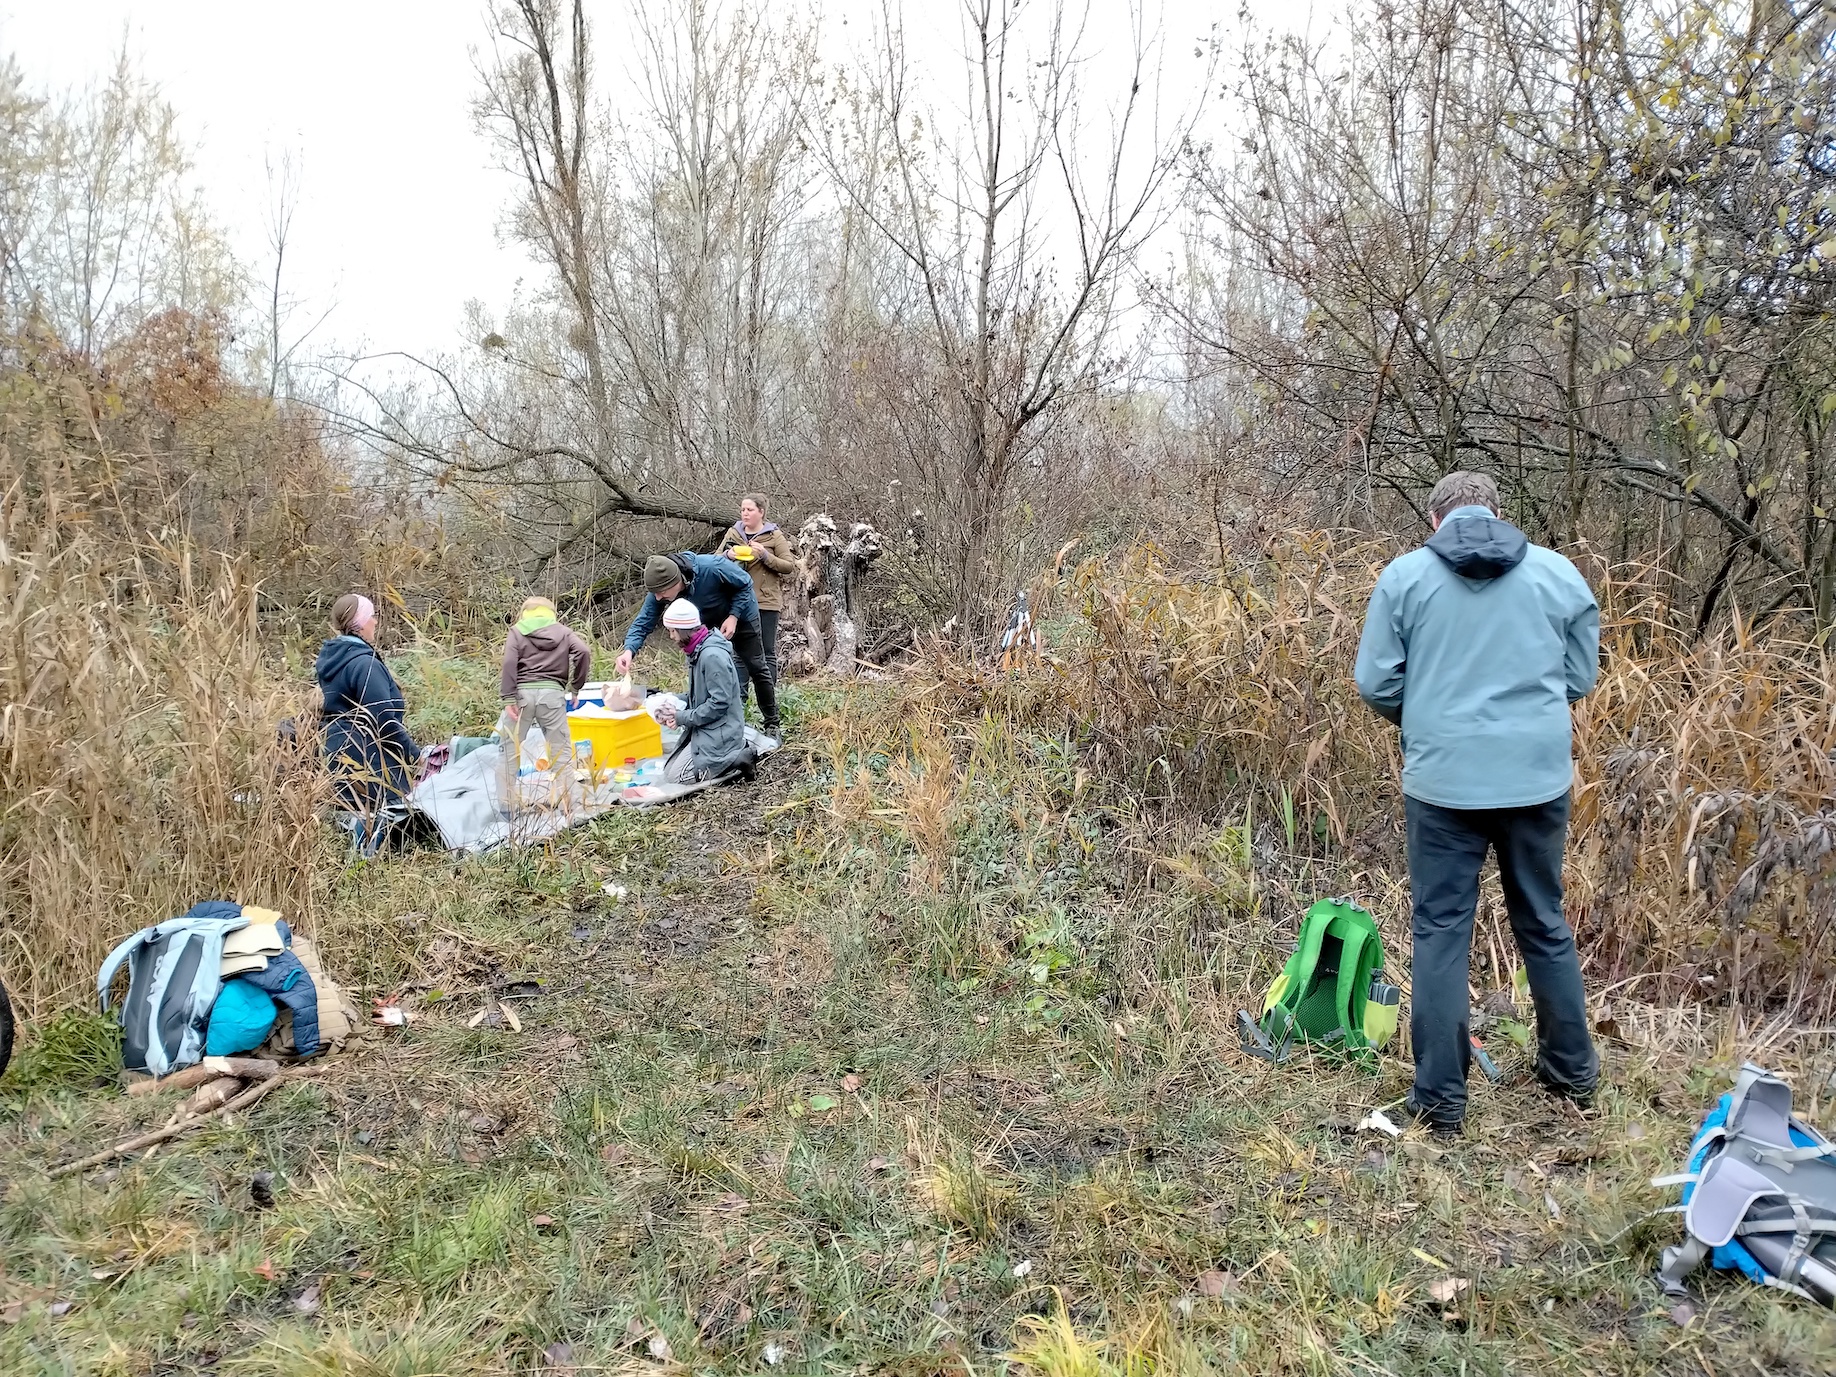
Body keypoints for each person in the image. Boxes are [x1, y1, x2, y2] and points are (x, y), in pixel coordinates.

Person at [1353, 471, 1601, 1138]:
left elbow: (1375, 680)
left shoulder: (1404, 579)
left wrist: (1430, 717)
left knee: (1440, 932)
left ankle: (1440, 1100)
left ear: (1436, 521)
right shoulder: (1559, 576)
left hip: (1444, 787)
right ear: (1496, 512)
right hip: (1537, 780)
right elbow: (1578, 676)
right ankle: (1572, 1073)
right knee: (1544, 921)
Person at [616, 551, 780, 737]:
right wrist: (629, 650)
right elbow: (644, 620)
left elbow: (745, 584)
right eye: (655, 594)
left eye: (662, 593)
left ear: (676, 582)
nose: (659, 598)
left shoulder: (712, 567)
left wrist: (734, 615)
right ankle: (713, 718)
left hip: (741, 615)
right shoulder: (660, 589)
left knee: (756, 666)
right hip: (704, 622)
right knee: (702, 668)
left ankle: (772, 723)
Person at [315, 593, 420, 822]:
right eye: (371, 616)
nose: (375, 621)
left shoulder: (332, 658)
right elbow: (385, 722)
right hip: (371, 768)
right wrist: (416, 756)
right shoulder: (365, 664)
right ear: (360, 624)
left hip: (339, 762)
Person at [499, 596, 593, 814]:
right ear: (551, 613)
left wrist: (508, 698)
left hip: (521, 695)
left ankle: (507, 806)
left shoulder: (516, 631)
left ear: (525, 613)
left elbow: (509, 662)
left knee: (509, 751)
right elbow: (584, 652)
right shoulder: (563, 632)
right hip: (552, 695)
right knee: (560, 751)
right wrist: (575, 686)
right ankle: (568, 805)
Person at [655, 598, 754, 782]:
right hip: (707, 728)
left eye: (672, 631)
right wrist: (670, 701)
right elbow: (699, 696)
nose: (671, 636)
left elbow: (719, 705)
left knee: (677, 777)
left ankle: (736, 758)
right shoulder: (696, 652)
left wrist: (680, 717)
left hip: (721, 732)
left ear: (683, 630)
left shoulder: (711, 656)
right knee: (668, 770)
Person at [716, 493, 797, 709]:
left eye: (749, 510)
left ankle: (768, 699)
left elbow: (789, 566)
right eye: (742, 509)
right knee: (739, 652)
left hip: (766, 602)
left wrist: (764, 556)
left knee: (766, 651)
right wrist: (728, 555)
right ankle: (740, 702)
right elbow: (714, 560)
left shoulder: (774, 536)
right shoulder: (734, 533)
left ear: (761, 512)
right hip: (737, 603)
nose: (745, 513)